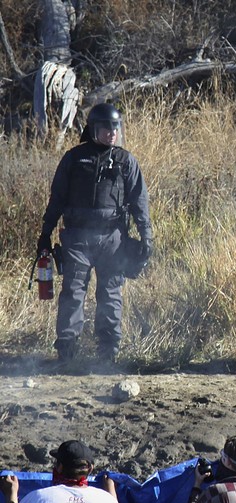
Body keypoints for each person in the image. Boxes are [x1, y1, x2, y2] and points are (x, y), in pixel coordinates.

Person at [37, 102, 153, 363]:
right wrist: (45, 233)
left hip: (113, 239)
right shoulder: (74, 159)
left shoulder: (126, 161)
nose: (112, 133)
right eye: (106, 128)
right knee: (73, 291)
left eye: (116, 127)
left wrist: (147, 237)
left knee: (110, 293)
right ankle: (66, 352)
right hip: (77, 238)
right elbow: (56, 199)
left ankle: (107, 354)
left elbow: (139, 203)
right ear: (93, 129)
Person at [1, 440, 127, 503]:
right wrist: (111, 494)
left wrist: (10, 494)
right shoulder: (109, 502)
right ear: (90, 469)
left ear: (59, 467)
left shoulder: (37, 499)